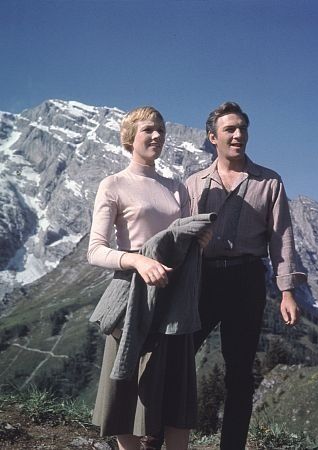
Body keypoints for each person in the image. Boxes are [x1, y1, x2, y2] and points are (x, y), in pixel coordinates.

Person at [87, 106, 211, 450]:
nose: (156, 136)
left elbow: (185, 237)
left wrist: (200, 239)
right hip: (133, 295)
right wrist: (138, 262)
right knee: (127, 390)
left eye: (160, 130)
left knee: (176, 389)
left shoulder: (176, 189)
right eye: (147, 130)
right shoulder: (114, 184)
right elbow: (95, 251)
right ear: (130, 138)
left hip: (174, 297)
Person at [185, 101, 307, 450]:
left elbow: (281, 236)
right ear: (212, 138)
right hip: (202, 281)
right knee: (179, 360)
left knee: (240, 372)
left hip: (247, 280)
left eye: (242, 129)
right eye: (229, 130)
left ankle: (232, 446)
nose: (238, 135)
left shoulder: (269, 182)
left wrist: (286, 291)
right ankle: (162, 437)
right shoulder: (194, 184)